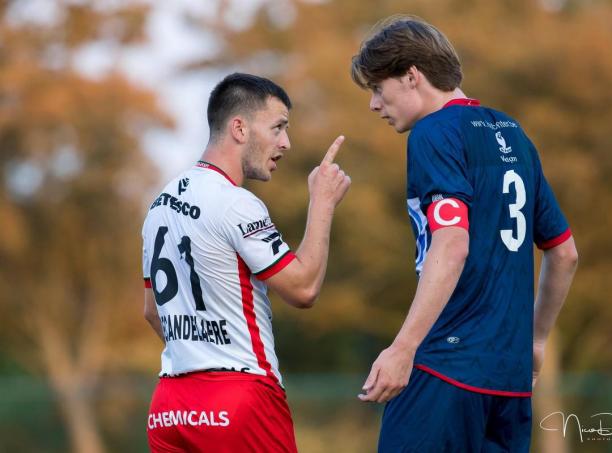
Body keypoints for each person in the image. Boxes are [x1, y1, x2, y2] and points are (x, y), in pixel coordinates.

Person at [351, 15, 578, 452]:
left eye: (379, 88)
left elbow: (452, 242)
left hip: (446, 369)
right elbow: (564, 252)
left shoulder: (433, 132)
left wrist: (403, 347)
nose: (374, 105)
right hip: (510, 381)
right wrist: (535, 339)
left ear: (412, 76)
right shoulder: (514, 133)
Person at [141, 73, 350, 452]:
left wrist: (198, 352)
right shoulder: (236, 202)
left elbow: (153, 312)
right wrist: (322, 201)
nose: (285, 142)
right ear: (239, 128)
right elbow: (303, 289)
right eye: (278, 127)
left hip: (169, 406)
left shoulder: (158, 205)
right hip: (239, 399)